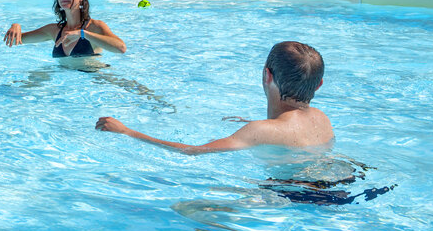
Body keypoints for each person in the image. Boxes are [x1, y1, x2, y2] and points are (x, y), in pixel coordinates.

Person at [95, 41, 331, 154]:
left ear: (266, 75)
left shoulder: (261, 131)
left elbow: (192, 151)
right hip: (338, 184)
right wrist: (255, 127)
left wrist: (127, 131)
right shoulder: (322, 119)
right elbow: (288, 135)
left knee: (191, 211)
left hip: (296, 196)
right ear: (319, 85)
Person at [4, 0, 126, 57]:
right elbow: (15, 40)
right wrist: (16, 26)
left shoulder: (94, 27)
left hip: (92, 83)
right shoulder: (53, 30)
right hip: (62, 85)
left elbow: (121, 48)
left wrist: (82, 34)